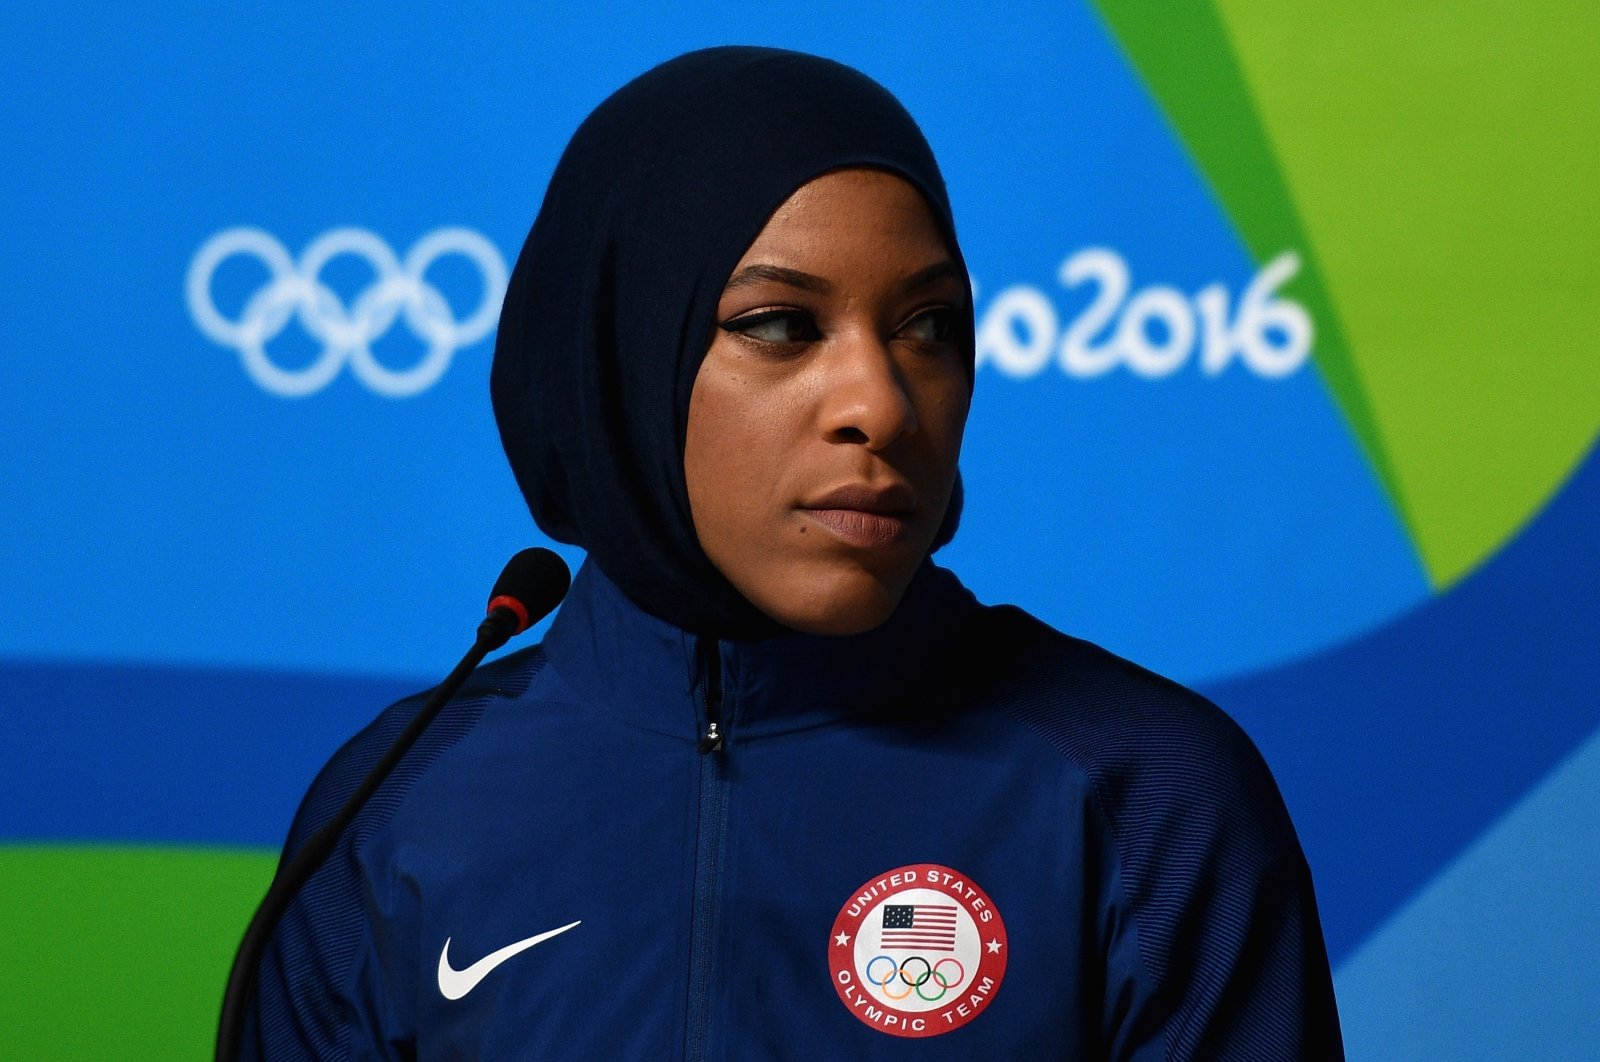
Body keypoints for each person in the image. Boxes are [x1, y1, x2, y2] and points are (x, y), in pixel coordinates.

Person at [242, 46, 1343, 1059]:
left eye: (927, 327)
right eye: (779, 325)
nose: (880, 402)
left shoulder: (1145, 794)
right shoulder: (394, 814)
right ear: (621, 360)